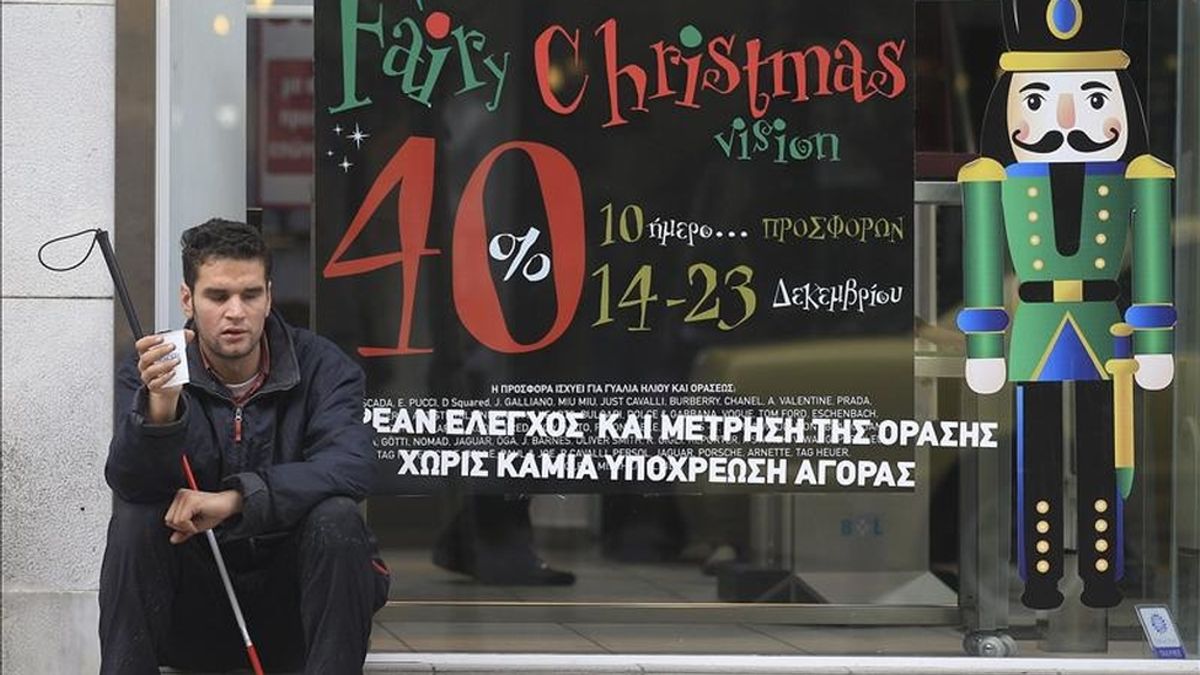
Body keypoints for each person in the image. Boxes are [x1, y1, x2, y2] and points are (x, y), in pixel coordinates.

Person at [99, 218, 390, 674]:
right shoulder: (154, 369)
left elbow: (353, 466)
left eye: (250, 295)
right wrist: (160, 411)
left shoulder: (322, 366)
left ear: (269, 296)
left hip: (294, 611)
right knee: (135, 523)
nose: (236, 312)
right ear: (187, 299)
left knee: (338, 519)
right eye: (217, 296)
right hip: (190, 612)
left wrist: (236, 500)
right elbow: (130, 484)